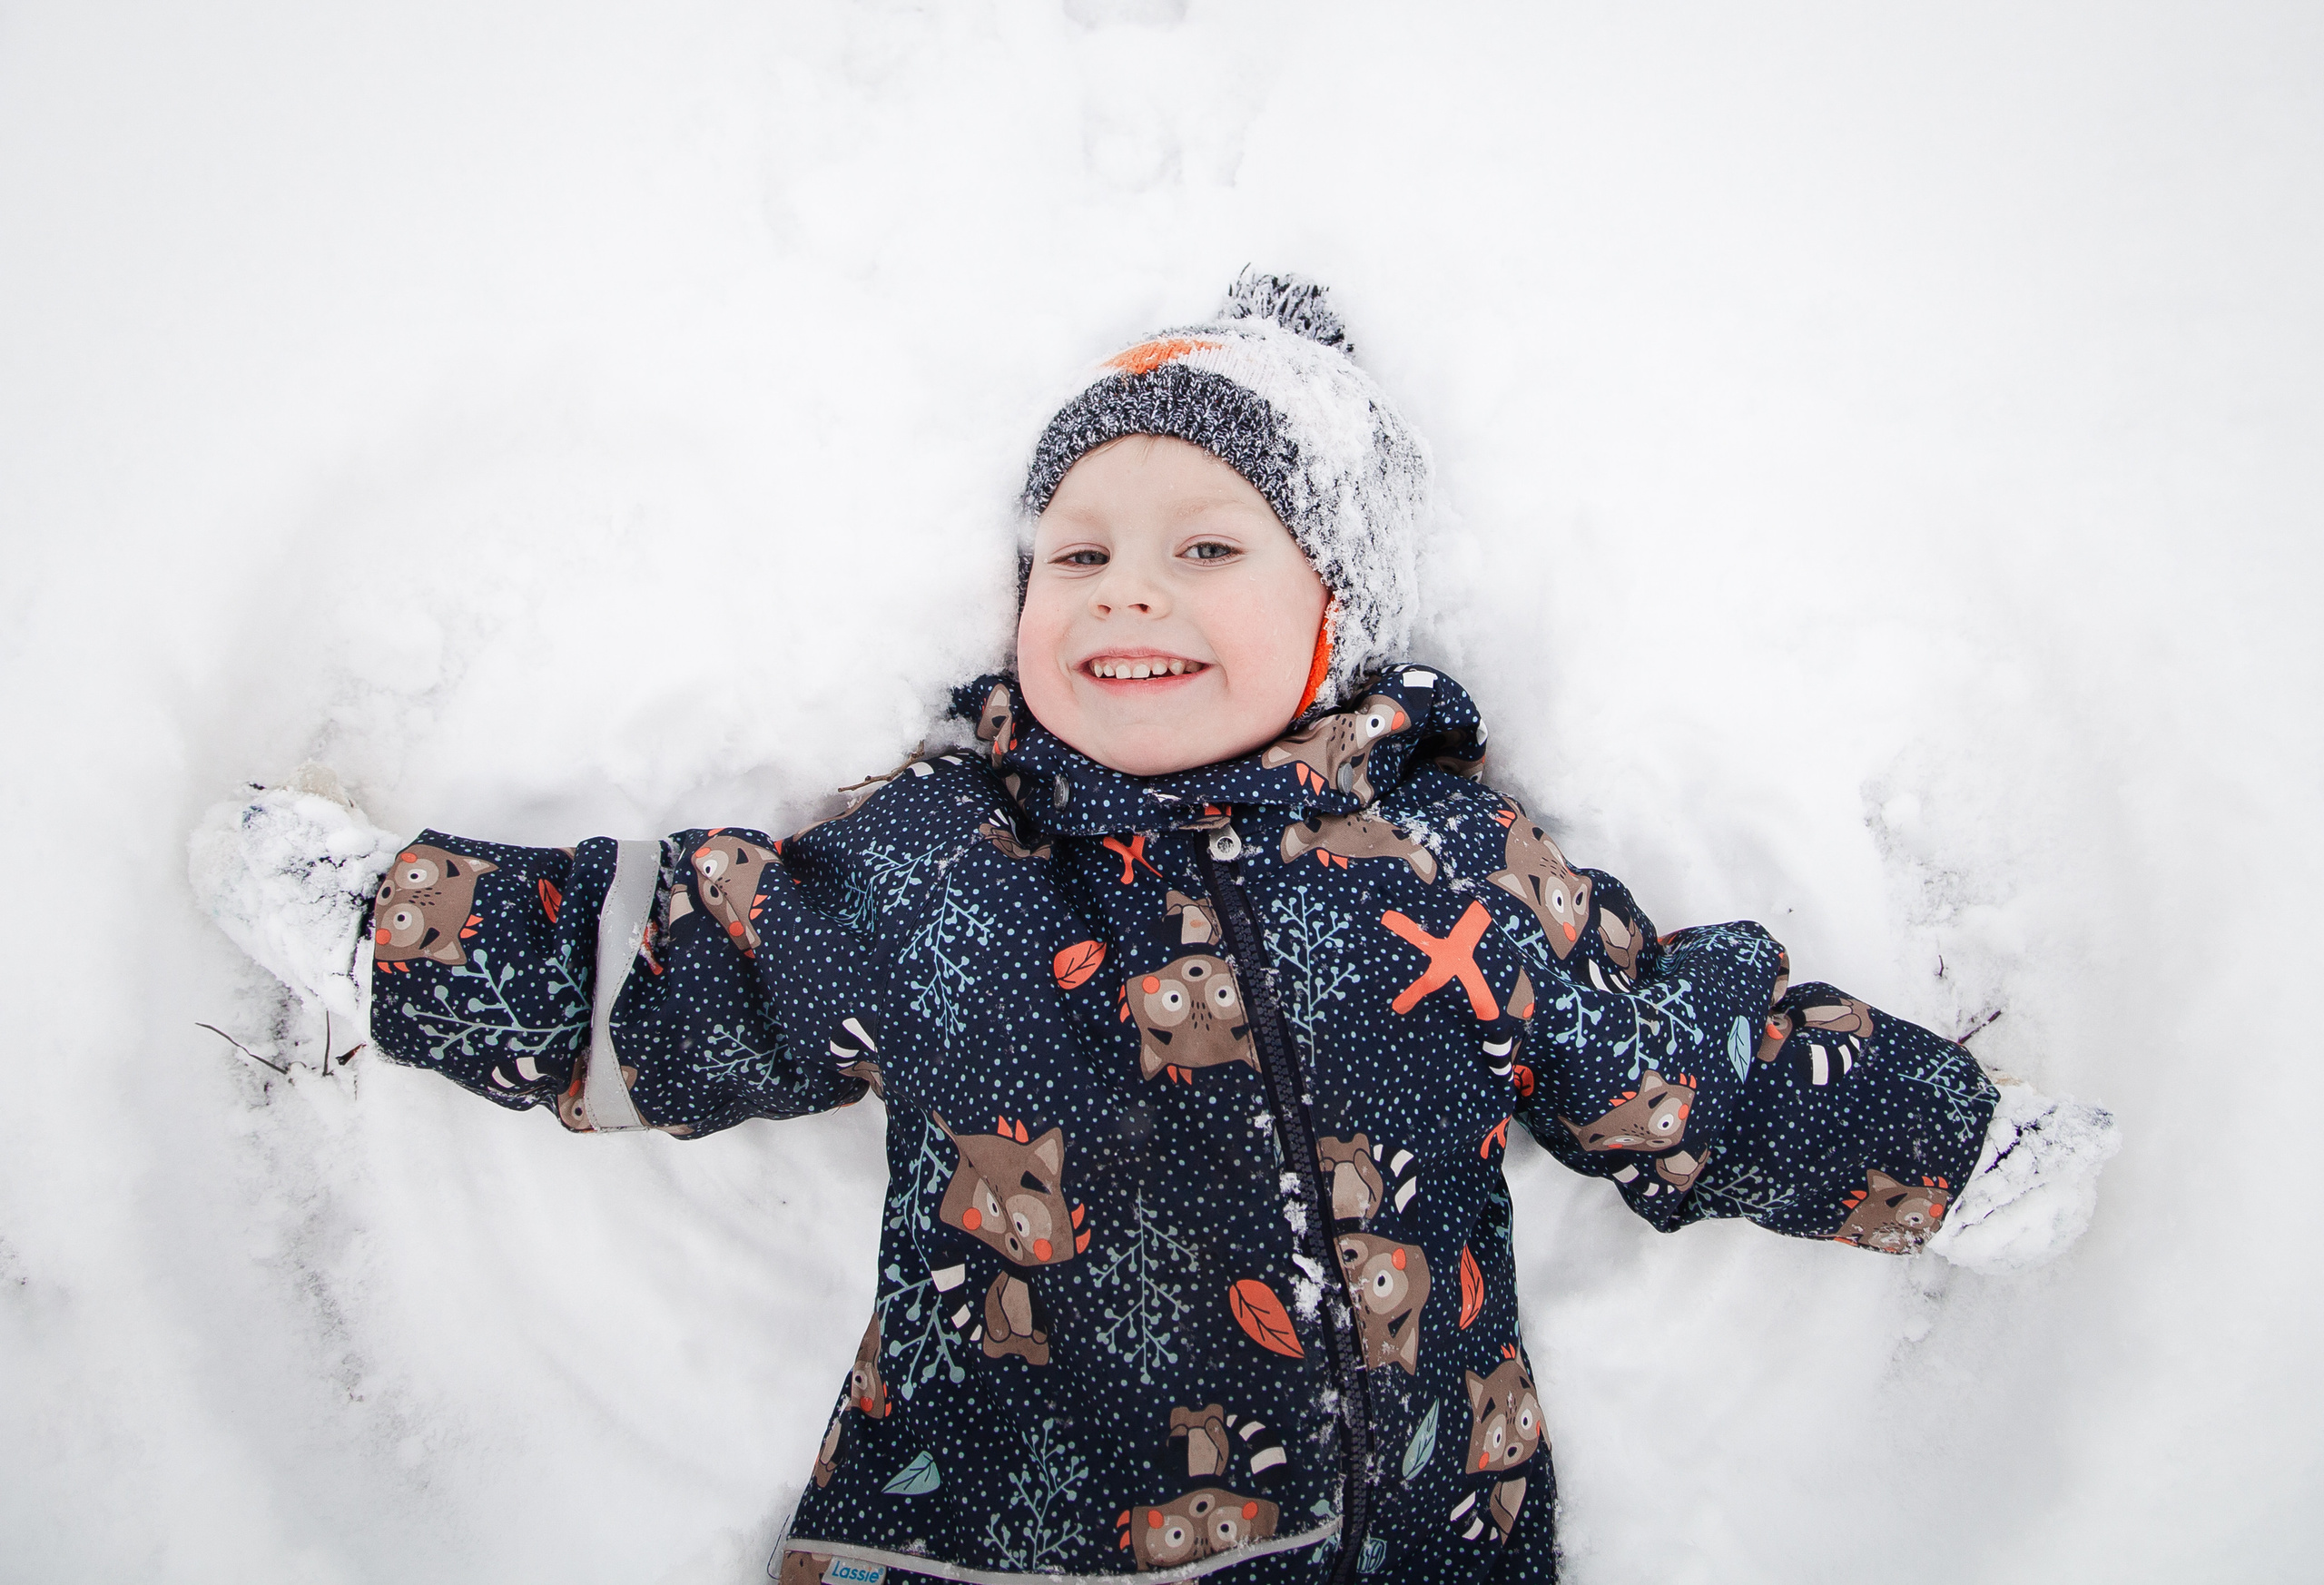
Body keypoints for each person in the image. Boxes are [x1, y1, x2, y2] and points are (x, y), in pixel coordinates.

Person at [191, 272, 2117, 1584]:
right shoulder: (946, 865)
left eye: (1208, 546)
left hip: (1409, 1539)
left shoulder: (1444, 871)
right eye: (1079, 550)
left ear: (1332, 616)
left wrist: (1943, 1149)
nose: (1128, 590)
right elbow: (674, 975)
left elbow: (1679, 1059)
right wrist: (386, 920)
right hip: (994, 1543)